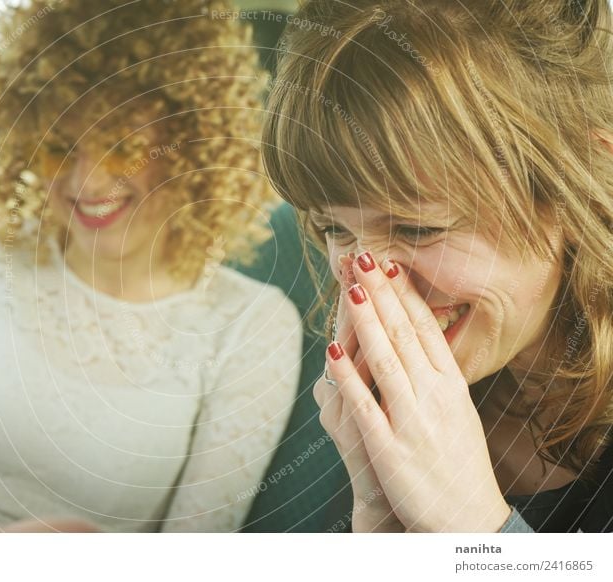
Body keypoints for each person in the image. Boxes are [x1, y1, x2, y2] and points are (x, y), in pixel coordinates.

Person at [0, 0, 302, 533]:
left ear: (195, 148)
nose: (87, 182)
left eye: (123, 148)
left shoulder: (252, 324)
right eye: (62, 147)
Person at [261, 0, 613, 532]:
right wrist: (381, 515)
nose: (367, 275)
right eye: (336, 229)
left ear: (578, 188)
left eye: (419, 228)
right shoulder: (343, 384)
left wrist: (470, 525)